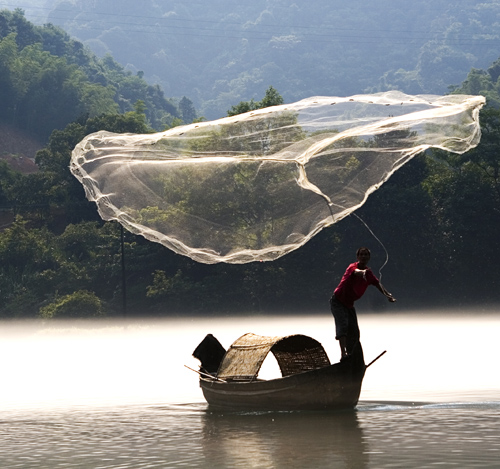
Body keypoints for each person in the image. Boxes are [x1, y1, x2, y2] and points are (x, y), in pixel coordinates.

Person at [330, 247, 395, 361]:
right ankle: (343, 355)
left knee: (354, 331)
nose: (364, 257)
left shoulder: (369, 274)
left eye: (366, 255)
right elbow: (356, 272)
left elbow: (377, 284)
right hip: (338, 302)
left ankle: (352, 354)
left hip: (349, 304)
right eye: (361, 255)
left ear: (369, 258)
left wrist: (387, 295)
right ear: (358, 257)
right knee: (343, 326)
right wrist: (362, 272)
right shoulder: (352, 267)